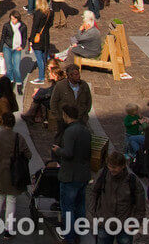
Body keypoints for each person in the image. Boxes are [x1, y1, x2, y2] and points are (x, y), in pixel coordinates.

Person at [0, 112, 30, 238]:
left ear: (3, 123)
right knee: (11, 200)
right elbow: (28, 155)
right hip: (14, 175)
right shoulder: (18, 138)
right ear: (13, 124)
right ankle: (8, 230)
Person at [52, 103, 92, 244]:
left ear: (66, 116)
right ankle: (79, 233)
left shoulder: (70, 132)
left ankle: (69, 237)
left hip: (70, 175)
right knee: (80, 206)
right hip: (83, 174)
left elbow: (68, 153)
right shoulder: (85, 130)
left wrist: (58, 150)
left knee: (67, 208)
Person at [87, 152, 145, 244]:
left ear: (122, 166)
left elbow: (140, 206)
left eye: (115, 167)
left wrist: (134, 223)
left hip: (124, 226)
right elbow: (93, 193)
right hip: (104, 223)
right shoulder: (103, 174)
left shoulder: (132, 180)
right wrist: (95, 216)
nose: (112, 169)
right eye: (110, 166)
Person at [49, 64, 93, 131]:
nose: (78, 76)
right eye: (76, 75)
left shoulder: (84, 85)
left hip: (80, 120)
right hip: (64, 121)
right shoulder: (60, 86)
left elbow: (89, 101)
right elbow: (53, 102)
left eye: (78, 74)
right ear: (69, 75)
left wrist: (84, 114)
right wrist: (58, 118)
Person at [28, 0, 53, 84]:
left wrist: (31, 39)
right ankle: (49, 74)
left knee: (39, 59)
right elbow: (50, 24)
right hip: (46, 36)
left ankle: (41, 77)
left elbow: (34, 27)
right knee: (44, 57)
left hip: (38, 37)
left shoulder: (38, 13)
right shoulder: (49, 12)